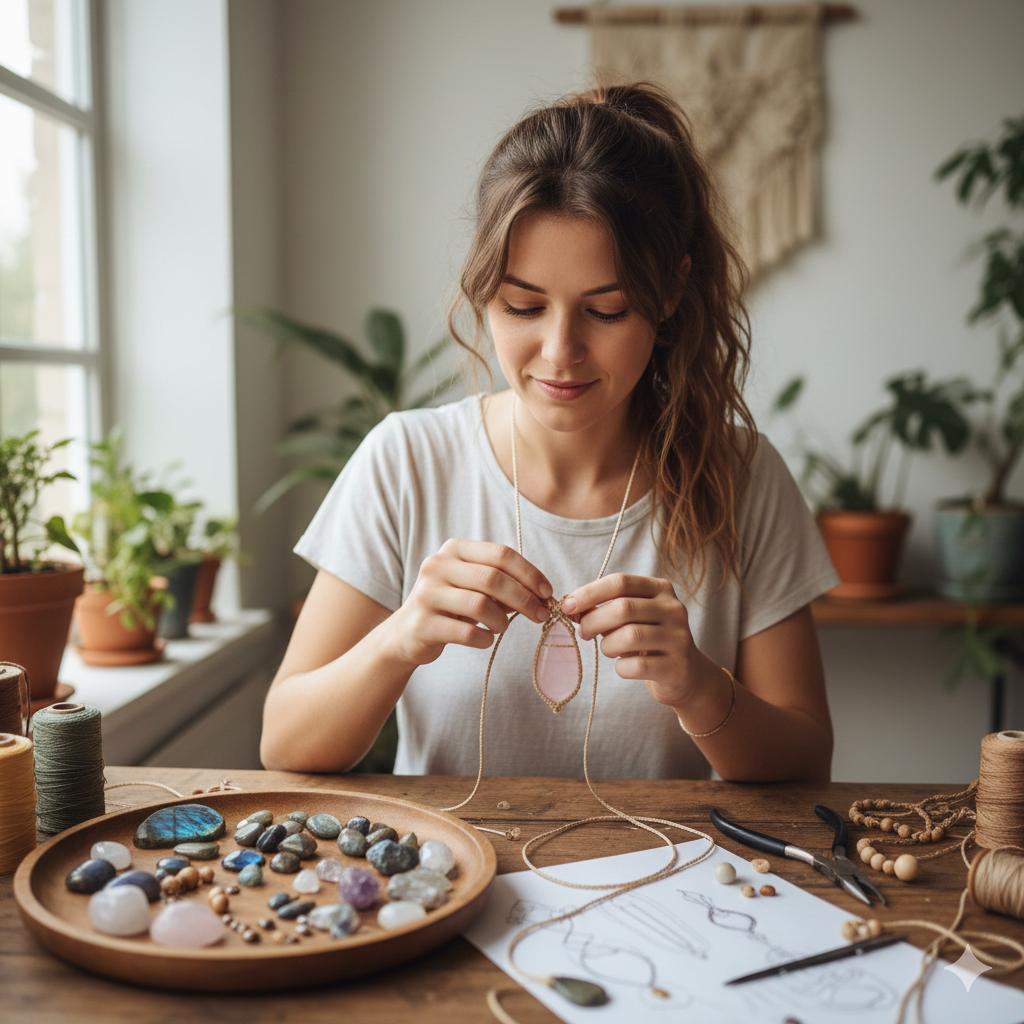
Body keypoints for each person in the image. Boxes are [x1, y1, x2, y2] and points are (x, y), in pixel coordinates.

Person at [260, 82, 838, 783]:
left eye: (608, 310)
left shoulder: (742, 476)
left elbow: (806, 763)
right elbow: (285, 744)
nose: (560, 351)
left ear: (672, 293)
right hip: (451, 886)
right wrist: (400, 639)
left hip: (666, 885)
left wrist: (698, 684)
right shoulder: (407, 461)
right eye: (523, 305)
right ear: (484, 291)